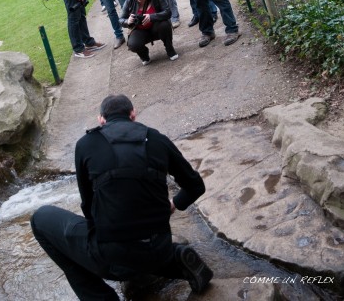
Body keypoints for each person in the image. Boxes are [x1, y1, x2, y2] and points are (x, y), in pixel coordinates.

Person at [31, 94, 213, 300]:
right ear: (133, 114)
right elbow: (196, 186)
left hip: (112, 258)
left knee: (40, 219)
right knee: (142, 248)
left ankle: (101, 297)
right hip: (159, 249)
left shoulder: (86, 145)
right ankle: (175, 260)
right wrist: (172, 204)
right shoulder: (158, 140)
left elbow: (88, 207)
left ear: (101, 119)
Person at [120, 0, 178, 64]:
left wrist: (152, 17)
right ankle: (144, 55)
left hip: (156, 27)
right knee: (133, 45)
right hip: (139, 30)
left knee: (165, 25)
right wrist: (127, 21)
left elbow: (168, 12)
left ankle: (169, 48)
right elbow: (121, 20)